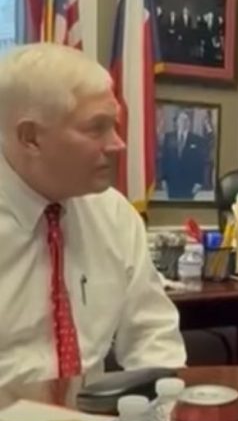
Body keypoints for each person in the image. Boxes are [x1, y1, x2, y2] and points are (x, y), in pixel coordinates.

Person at [0, 43, 187, 385]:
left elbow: (152, 336)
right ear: (30, 138)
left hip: (90, 411)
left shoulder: (113, 213)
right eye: (96, 128)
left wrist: (163, 403)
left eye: (113, 126)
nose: (118, 144)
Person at [160, 109, 210, 200]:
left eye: (186, 120)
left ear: (189, 123)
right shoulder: (169, 137)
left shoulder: (197, 139)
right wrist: (163, 179)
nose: (183, 122)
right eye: (181, 119)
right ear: (177, 122)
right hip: (172, 182)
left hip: (189, 183)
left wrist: (199, 182)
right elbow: (164, 159)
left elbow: (200, 162)